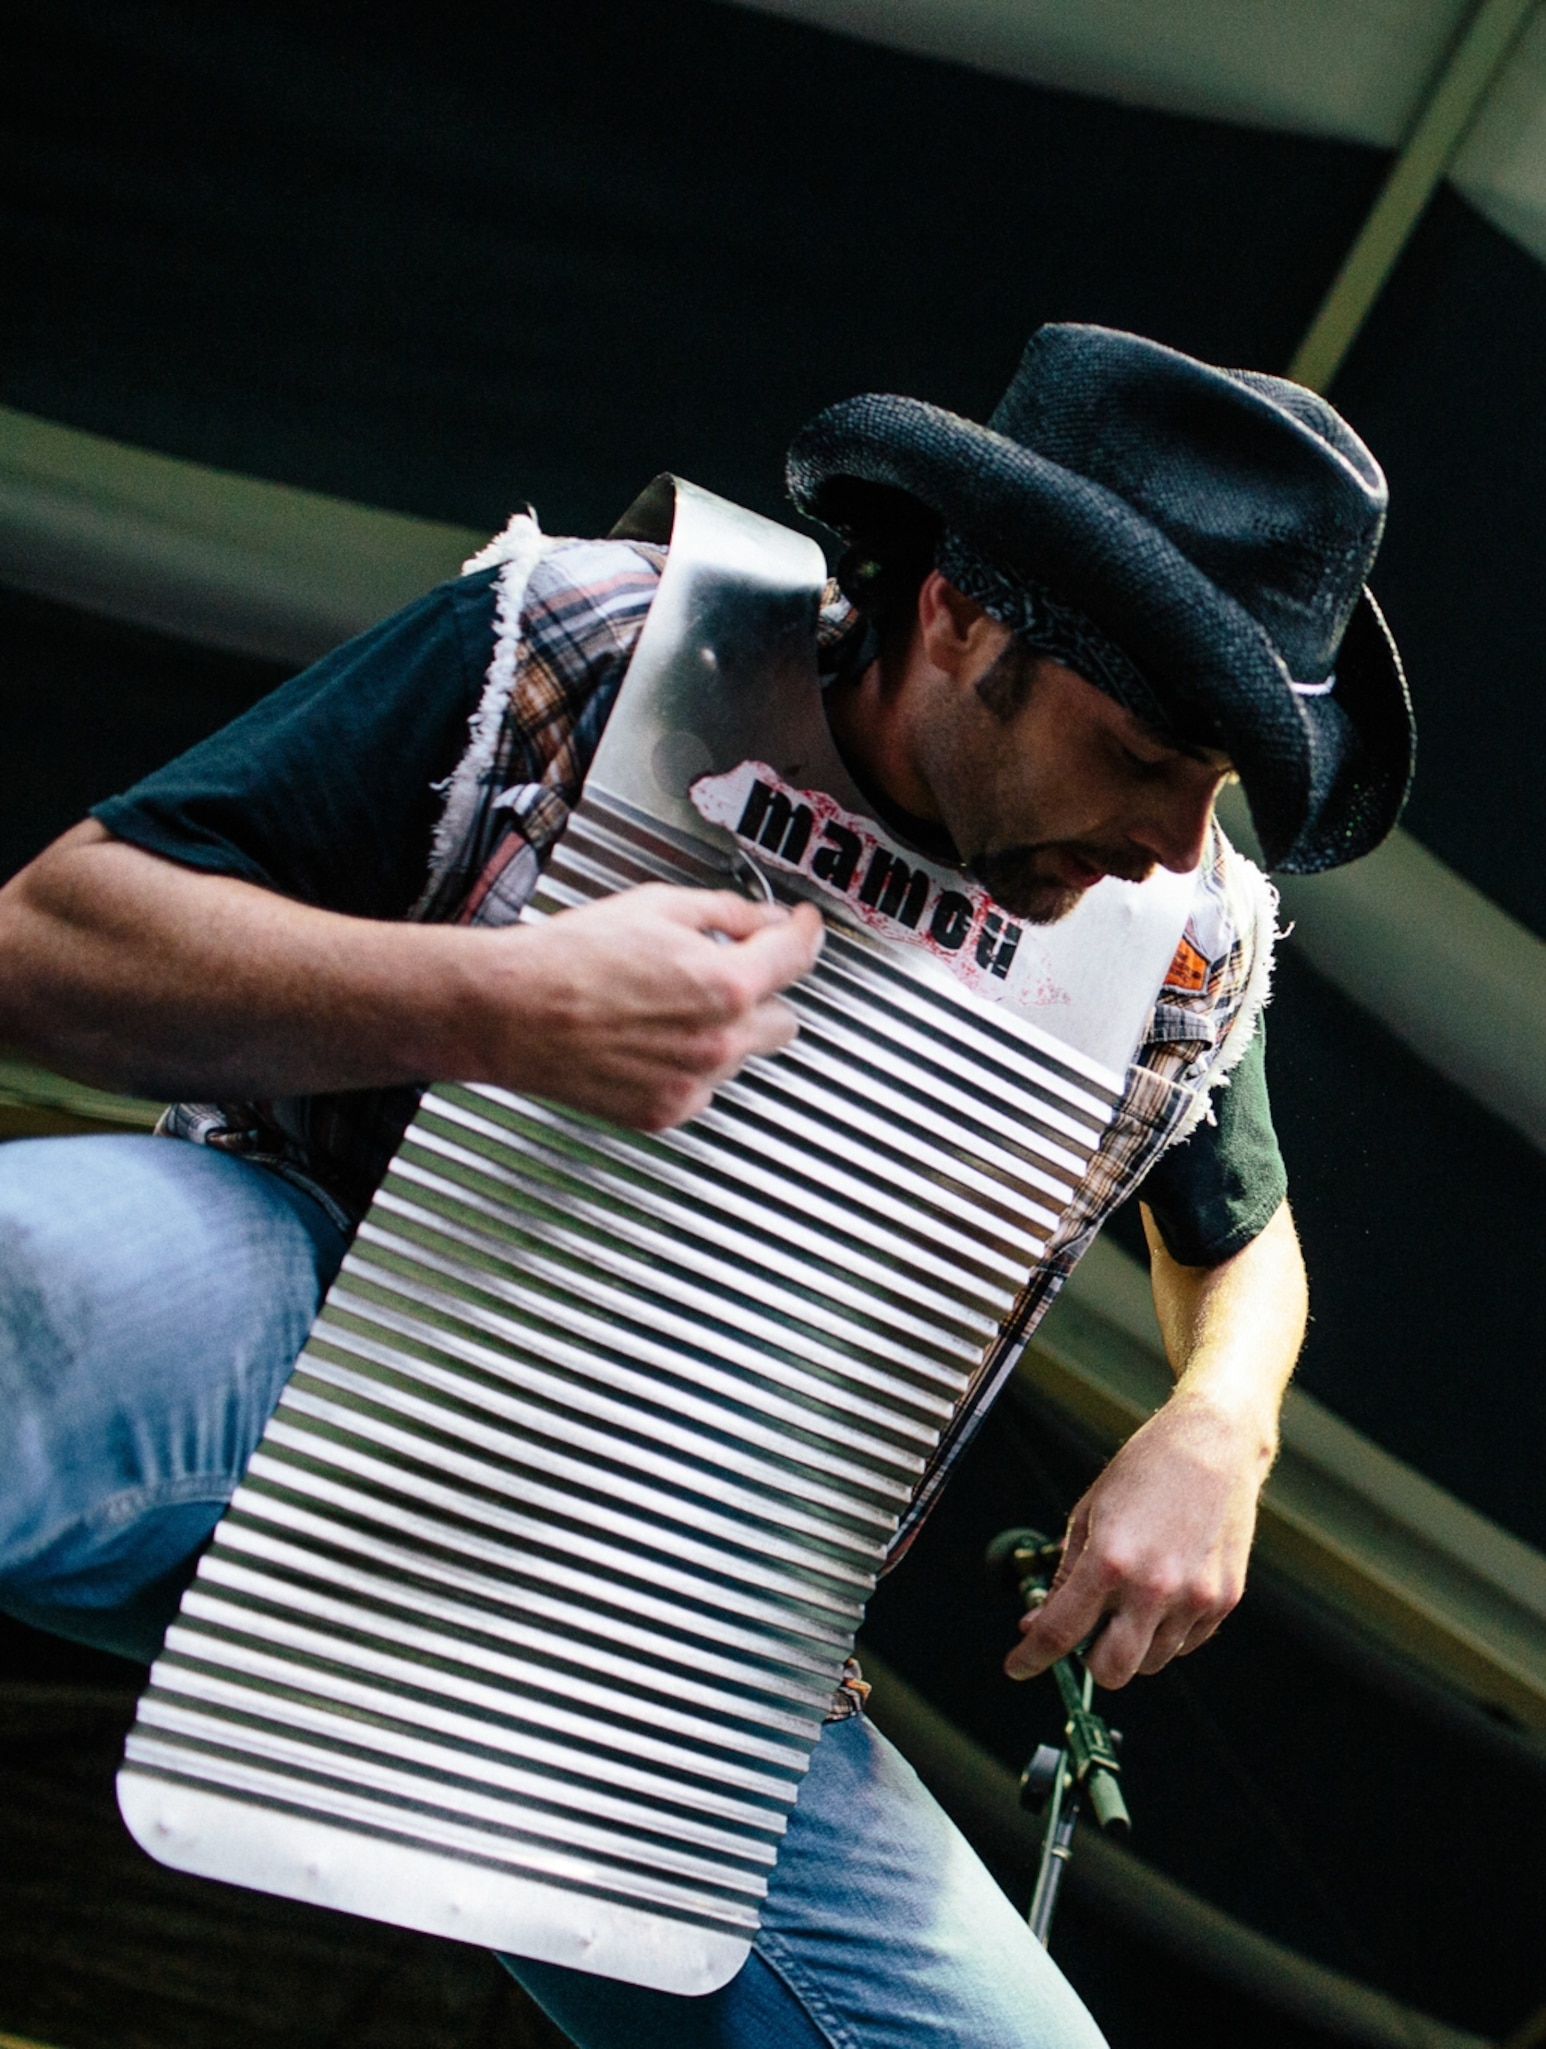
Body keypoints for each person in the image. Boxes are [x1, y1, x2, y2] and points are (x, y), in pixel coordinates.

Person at [0, 323, 1414, 2048]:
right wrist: (497, 1003)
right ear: (961, 612)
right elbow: (48, 934)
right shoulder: (608, 639)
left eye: (1216, 790)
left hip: (687, 1622)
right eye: (1139, 755)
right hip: (314, 1354)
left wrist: (1219, 1425)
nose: (1170, 842)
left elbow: (1245, 1248)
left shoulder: (1175, 941)